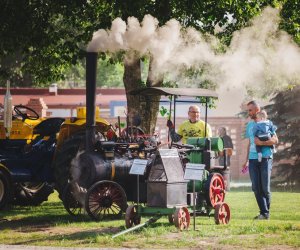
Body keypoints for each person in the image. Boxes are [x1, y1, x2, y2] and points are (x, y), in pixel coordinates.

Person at [242, 100, 278, 220]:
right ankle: (264, 213)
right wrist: (246, 160)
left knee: (265, 188)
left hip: (266, 157)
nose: (249, 112)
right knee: (256, 187)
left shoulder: (268, 123)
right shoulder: (250, 125)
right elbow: (249, 143)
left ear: (257, 110)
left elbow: (275, 140)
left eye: (250, 110)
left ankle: (265, 213)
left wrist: (262, 142)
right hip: (253, 159)